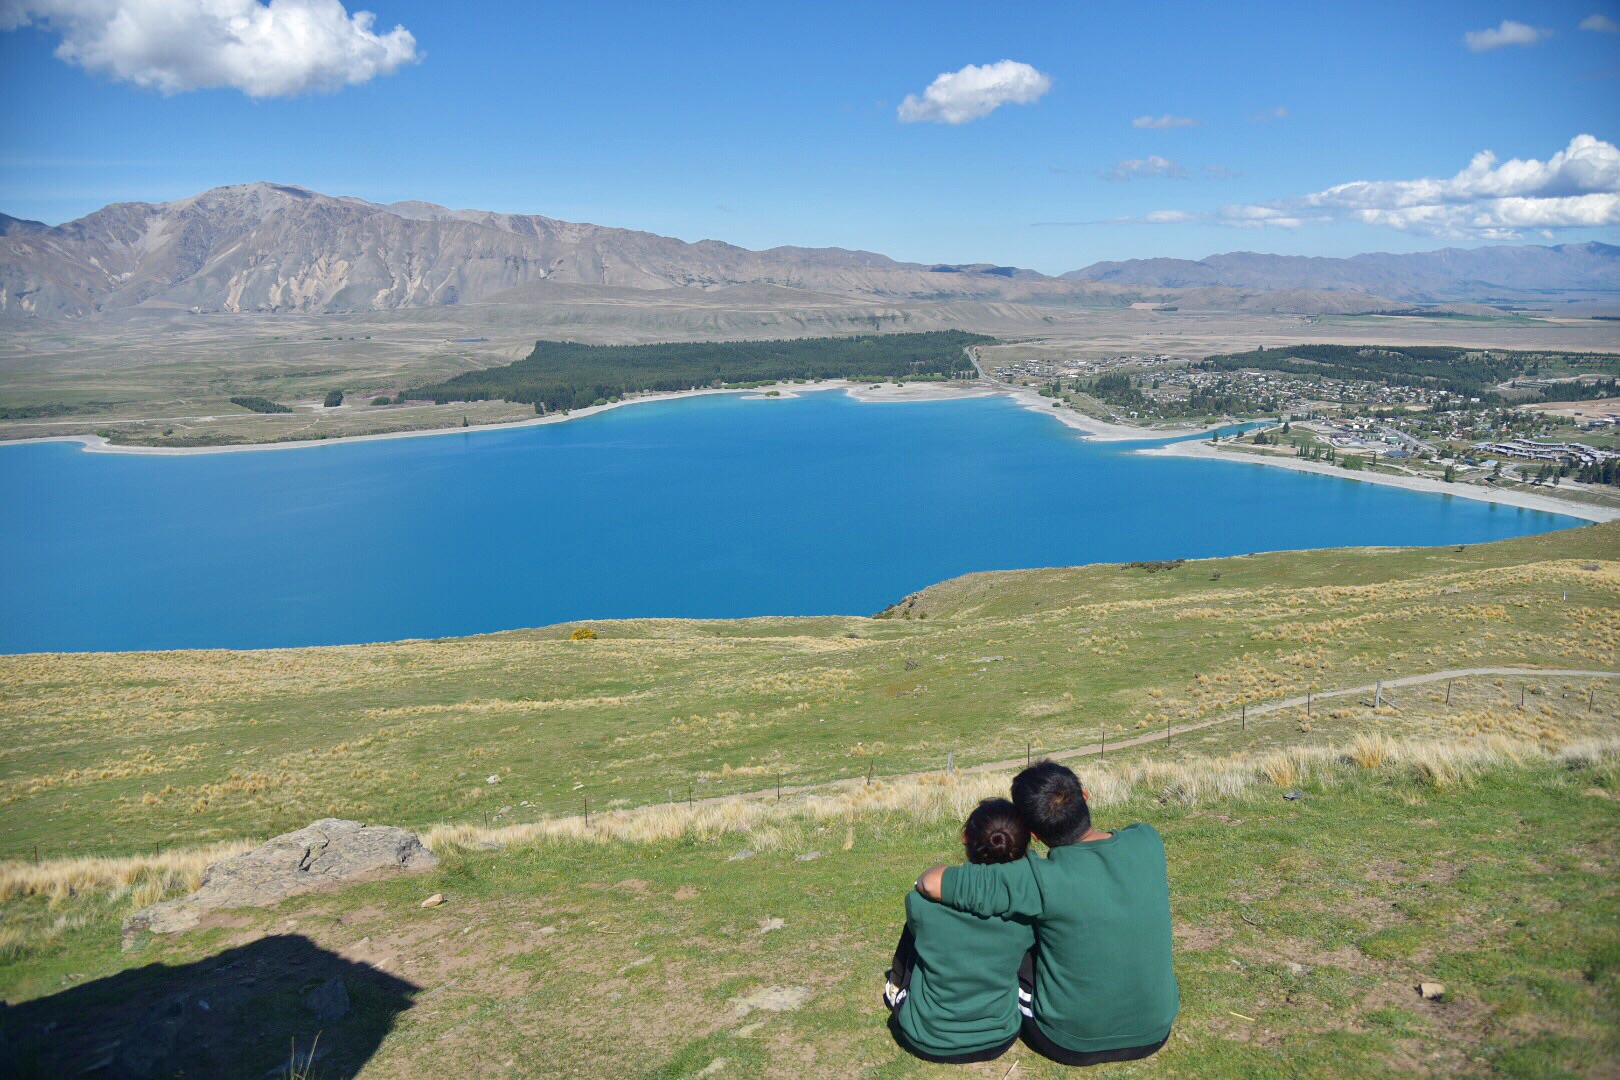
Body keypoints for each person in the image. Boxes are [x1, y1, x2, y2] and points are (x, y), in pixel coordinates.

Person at [914, 761, 1178, 1066]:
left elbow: (932, 883)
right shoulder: (1147, 840)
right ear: (1086, 795)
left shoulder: (1039, 879)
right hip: (1155, 1030)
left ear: (1034, 835)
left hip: (1069, 1040)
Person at [884, 798, 1036, 1064]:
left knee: (916, 932)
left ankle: (896, 985)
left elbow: (925, 886)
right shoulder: (1030, 906)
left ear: (966, 838)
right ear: (1024, 848)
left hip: (927, 1037)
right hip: (998, 1037)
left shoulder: (922, 904)